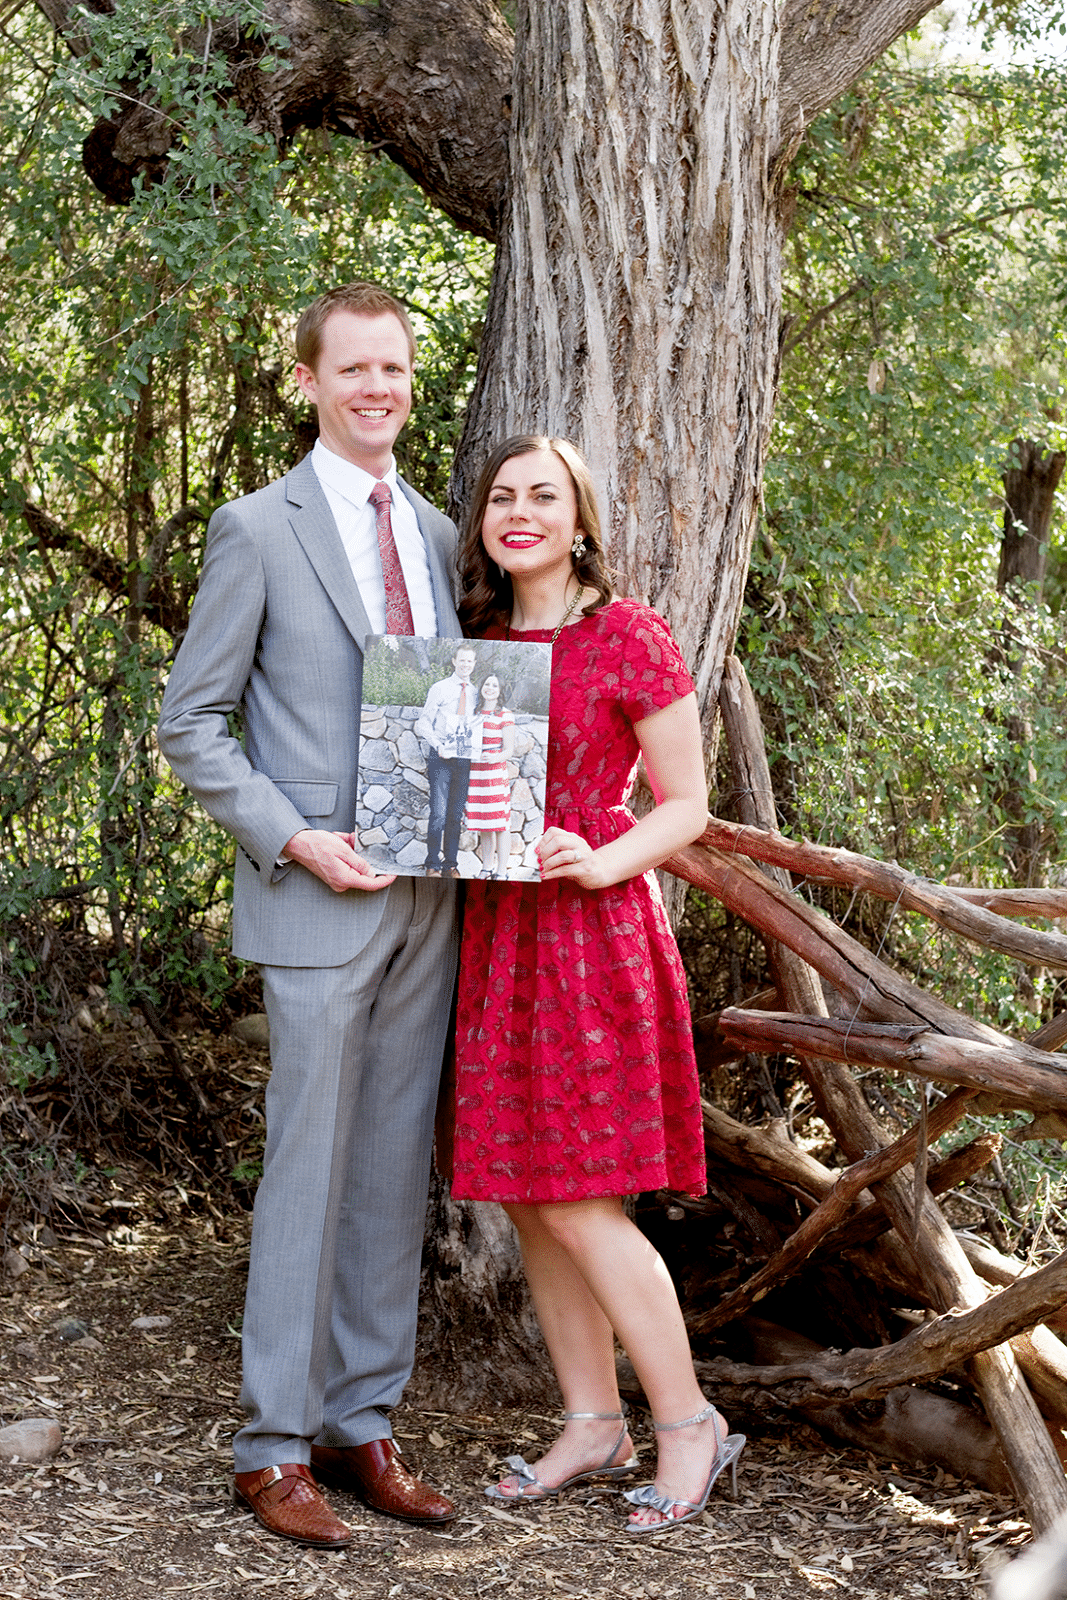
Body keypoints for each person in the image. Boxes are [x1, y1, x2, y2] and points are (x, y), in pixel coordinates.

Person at [157, 282, 460, 1550]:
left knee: (391, 1172)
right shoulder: (256, 529)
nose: (376, 389)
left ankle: (359, 1422)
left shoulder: (443, 533)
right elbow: (191, 724)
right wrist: (294, 834)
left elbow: (453, 710)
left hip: (432, 902)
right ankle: (271, 1444)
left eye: (393, 368)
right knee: (305, 1173)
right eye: (353, 370)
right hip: (312, 896)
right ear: (308, 382)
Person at [451, 434, 745, 1533]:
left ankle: (686, 1424)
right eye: (501, 496)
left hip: (589, 936)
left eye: (544, 496)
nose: (518, 512)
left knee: (581, 1194)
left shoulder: (626, 634)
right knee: (531, 1190)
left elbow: (684, 803)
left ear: (580, 523)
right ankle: (589, 1420)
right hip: (496, 941)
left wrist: (600, 854)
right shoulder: (475, 642)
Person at [415, 644, 477, 876]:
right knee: (439, 812)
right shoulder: (440, 688)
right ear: (454, 661)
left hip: (463, 757)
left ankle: (450, 864)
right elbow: (423, 723)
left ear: (474, 664)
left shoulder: (475, 692)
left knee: (455, 814)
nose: (465, 665)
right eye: (462, 661)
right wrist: (438, 745)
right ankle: (432, 863)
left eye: (470, 661)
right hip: (441, 756)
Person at [463, 673, 516, 878]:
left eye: (495, 685)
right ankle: (486, 868)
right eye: (487, 683)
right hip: (476, 774)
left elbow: (509, 750)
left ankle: (501, 871)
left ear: (500, 690)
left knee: (500, 824)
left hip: (494, 774)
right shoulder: (473, 713)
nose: (490, 688)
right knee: (485, 824)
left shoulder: (505, 715)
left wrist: (493, 758)